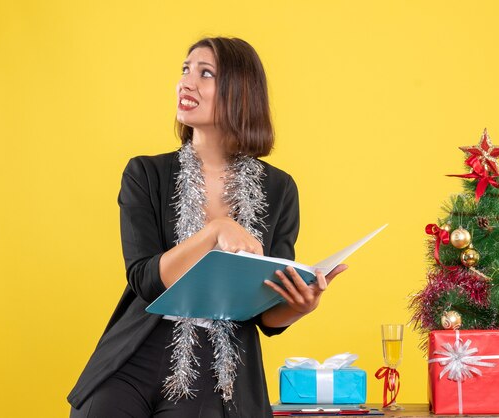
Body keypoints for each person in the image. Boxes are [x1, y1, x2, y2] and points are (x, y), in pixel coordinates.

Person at [67, 37, 347, 418]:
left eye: (205, 73)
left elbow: (266, 316)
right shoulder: (146, 173)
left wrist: (300, 305)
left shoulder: (279, 188)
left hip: (217, 370)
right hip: (135, 355)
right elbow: (145, 280)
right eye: (185, 70)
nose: (186, 82)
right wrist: (214, 229)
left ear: (240, 92)